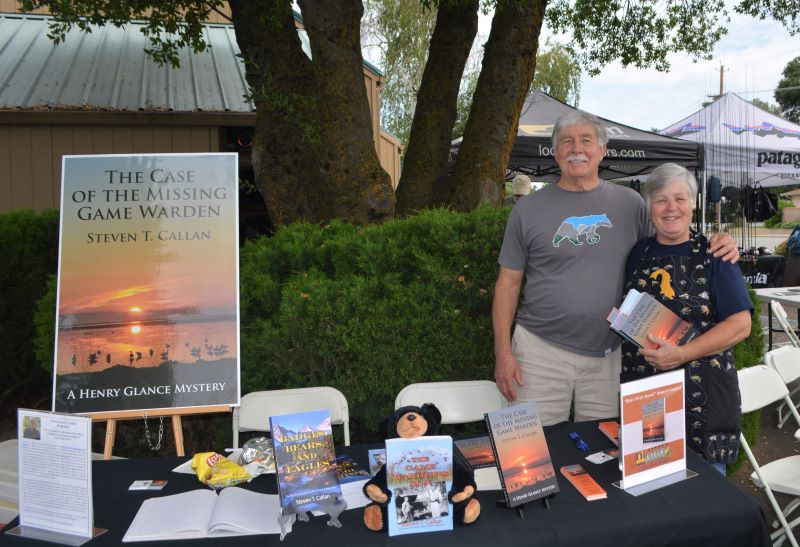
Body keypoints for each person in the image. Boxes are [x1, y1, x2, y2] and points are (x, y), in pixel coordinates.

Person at [493, 110, 739, 426]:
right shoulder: (527, 209)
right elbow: (508, 283)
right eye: (566, 141)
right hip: (538, 352)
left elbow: (668, 247)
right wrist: (503, 353)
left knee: (604, 454)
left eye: (586, 140)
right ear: (555, 152)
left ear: (602, 150)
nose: (576, 148)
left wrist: (715, 243)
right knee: (532, 455)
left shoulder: (631, 203)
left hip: (610, 355)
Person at [620, 163, 751, 475]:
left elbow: (741, 324)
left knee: (705, 501)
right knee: (652, 491)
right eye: (661, 200)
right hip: (648, 396)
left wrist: (680, 354)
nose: (671, 209)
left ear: (693, 204)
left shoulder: (715, 254)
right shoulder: (638, 253)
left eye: (680, 199)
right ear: (650, 207)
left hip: (702, 399)